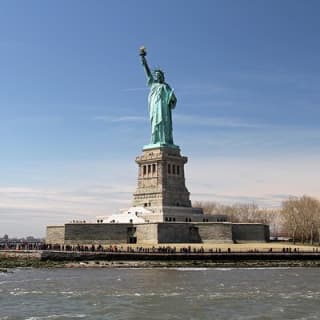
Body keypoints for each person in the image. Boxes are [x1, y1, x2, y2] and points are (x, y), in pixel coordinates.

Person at [140, 48, 177, 145]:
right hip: (154, 107)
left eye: (159, 75)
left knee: (164, 123)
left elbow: (173, 100)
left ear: (163, 76)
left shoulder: (166, 86)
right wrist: (143, 59)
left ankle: (164, 140)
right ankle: (156, 140)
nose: (158, 77)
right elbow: (147, 72)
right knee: (155, 124)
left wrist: (172, 98)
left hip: (164, 108)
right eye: (156, 75)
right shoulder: (153, 84)